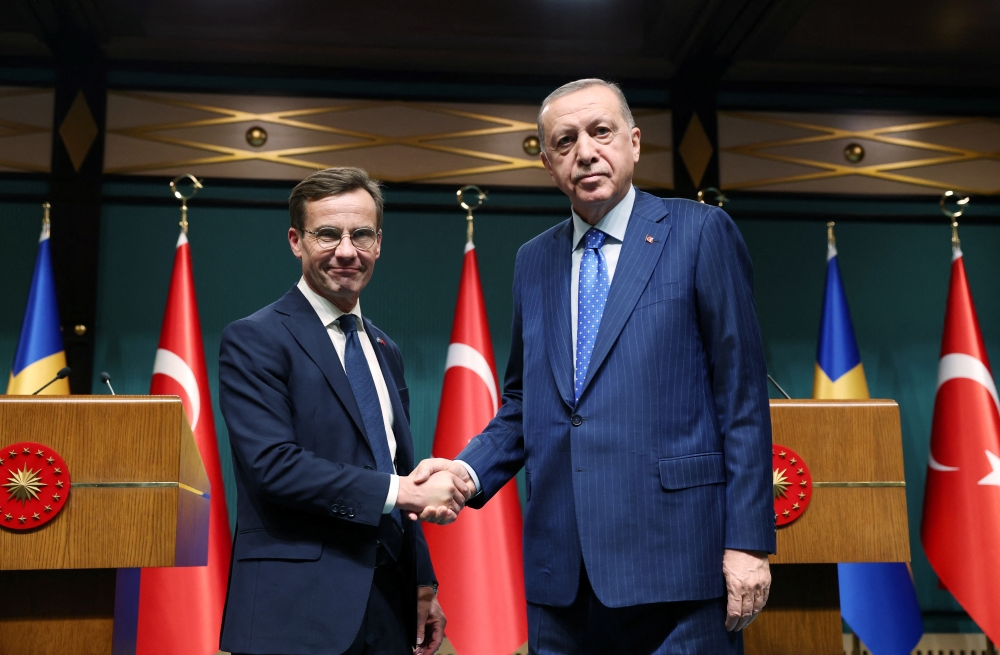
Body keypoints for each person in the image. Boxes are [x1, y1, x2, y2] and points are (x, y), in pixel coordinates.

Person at [415, 79, 776, 654]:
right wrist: (466, 473)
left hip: (681, 568)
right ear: (547, 161)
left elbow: (742, 398)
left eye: (600, 132)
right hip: (563, 578)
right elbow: (525, 403)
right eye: (564, 141)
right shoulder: (533, 261)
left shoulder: (701, 233)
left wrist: (750, 544)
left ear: (633, 143)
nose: (585, 151)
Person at [218, 167, 474, 655]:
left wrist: (423, 584)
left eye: (360, 235)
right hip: (296, 612)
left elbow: (398, 468)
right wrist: (398, 491)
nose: (345, 251)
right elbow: (274, 467)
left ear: (378, 242)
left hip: (389, 606)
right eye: (328, 234)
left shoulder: (385, 349)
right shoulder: (256, 338)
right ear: (296, 241)